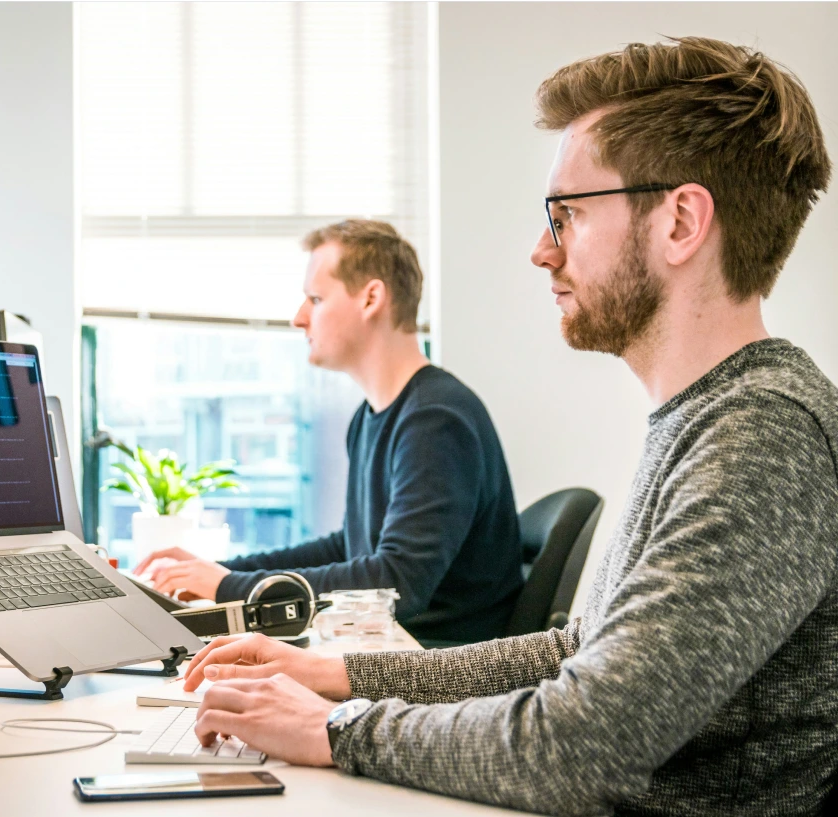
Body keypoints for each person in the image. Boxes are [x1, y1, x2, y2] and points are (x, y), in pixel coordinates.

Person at [177, 37, 838, 816]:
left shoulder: (762, 435)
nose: (540, 250)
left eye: (566, 216)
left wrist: (336, 727)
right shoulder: (707, 417)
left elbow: (578, 744)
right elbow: (578, 651)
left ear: (681, 221)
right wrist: (339, 674)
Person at [135, 220, 523, 644]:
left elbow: (396, 584)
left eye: (316, 299)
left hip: (436, 664)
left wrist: (228, 588)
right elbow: (350, 548)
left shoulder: (436, 421)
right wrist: (225, 572)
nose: (299, 318)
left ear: (371, 298)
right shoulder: (372, 417)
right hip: (392, 649)